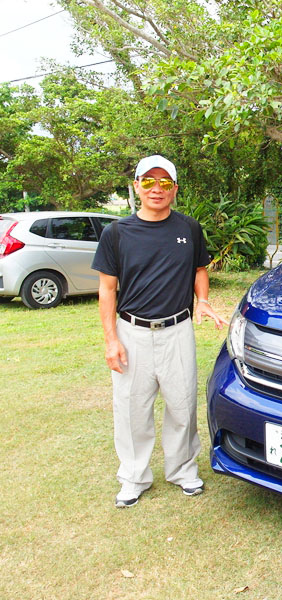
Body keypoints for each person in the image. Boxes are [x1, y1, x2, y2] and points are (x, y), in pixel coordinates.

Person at [92, 154, 227, 508]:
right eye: (148, 182)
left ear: (175, 189)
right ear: (136, 186)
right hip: (131, 331)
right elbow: (107, 289)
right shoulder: (116, 233)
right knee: (131, 409)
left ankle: (183, 470)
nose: (156, 189)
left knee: (182, 405)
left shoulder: (188, 229)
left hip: (177, 330)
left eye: (164, 183)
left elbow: (200, 268)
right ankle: (134, 477)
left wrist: (202, 300)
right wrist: (111, 341)